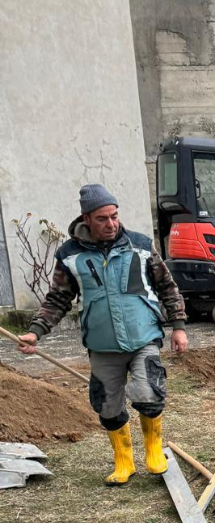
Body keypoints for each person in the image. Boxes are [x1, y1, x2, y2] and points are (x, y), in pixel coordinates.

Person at [17, 184, 189, 485]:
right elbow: (58, 299)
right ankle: (124, 460)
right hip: (101, 343)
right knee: (106, 406)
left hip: (143, 336)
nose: (111, 224)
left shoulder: (140, 245)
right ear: (86, 219)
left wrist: (178, 326)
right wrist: (35, 332)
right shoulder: (69, 255)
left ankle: (153, 451)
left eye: (114, 216)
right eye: (102, 219)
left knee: (149, 393)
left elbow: (167, 287)